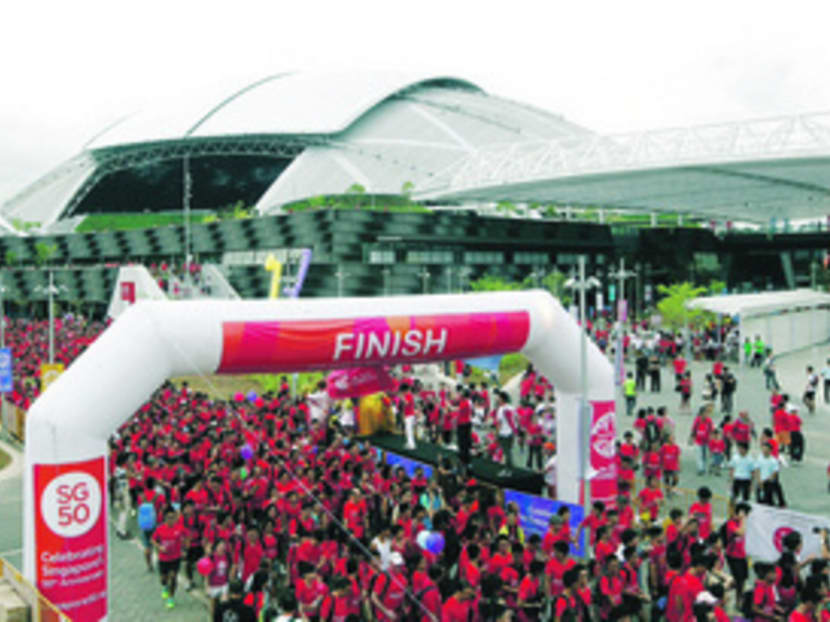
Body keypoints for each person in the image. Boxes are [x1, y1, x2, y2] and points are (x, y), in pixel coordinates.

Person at [152, 506, 185, 610]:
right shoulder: (160, 529)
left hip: (175, 558)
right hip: (163, 559)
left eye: (172, 517)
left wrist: (184, 549)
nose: (171, 520)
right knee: (163, 579)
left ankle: (171, 597)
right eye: (168, 518)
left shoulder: (179, 528)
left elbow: (184, 538)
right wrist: (159, 547)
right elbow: (153, 540)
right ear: (165, 518)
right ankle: (165, 587)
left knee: (173, 577)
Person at [756, 441, 786, 507]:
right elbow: (757, 469)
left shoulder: (773, 461)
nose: (764, 451)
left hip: (768, 482)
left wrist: (766, 480)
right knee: (759, 500)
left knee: (768, 501)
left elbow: (775, 473)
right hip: (760, 481)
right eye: (763, 449)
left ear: (770, 450)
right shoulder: (759, 458)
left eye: (766, 450)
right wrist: (759, 479)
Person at [495, 391, 517, 471]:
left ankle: (509, 469)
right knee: (509, 451)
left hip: (504, 433)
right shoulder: (512, 407)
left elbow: (499, 423)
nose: (497, 399)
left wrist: (496, 434)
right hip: (511, 432)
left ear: (501, 399)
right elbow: (516, 419)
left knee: (506, 452)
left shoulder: (501, 409)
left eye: (498, 397)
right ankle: (511, 467)